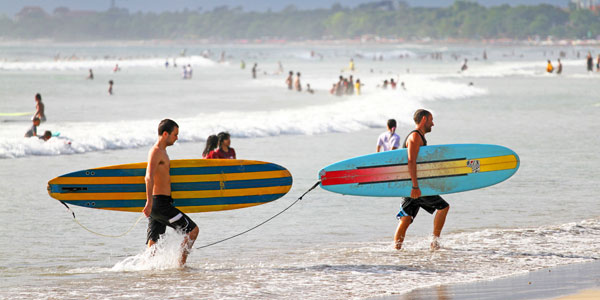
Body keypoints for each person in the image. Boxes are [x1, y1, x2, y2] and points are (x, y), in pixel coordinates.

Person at [143, 119, 199, 266]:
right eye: (175, 134)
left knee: (153, 244)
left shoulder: (163, 152)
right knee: (193, 231)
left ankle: (146, 270)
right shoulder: (156, 151)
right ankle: (180, 265)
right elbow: (148, 176)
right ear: (165, 134)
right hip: (160, 204)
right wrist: (149, 202)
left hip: (161, 203)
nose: (177, 138)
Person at [394, 109, 449, 251]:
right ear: (424, 119)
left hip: (411, 185)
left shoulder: (419, 137)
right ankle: (434, 242)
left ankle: (396, 250)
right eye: (431, 120)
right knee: (443, 207)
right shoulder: (415, 137)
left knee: (406, 219)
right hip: (416, 185)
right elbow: (411, 161)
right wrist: (415, 186)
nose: (433, 124)